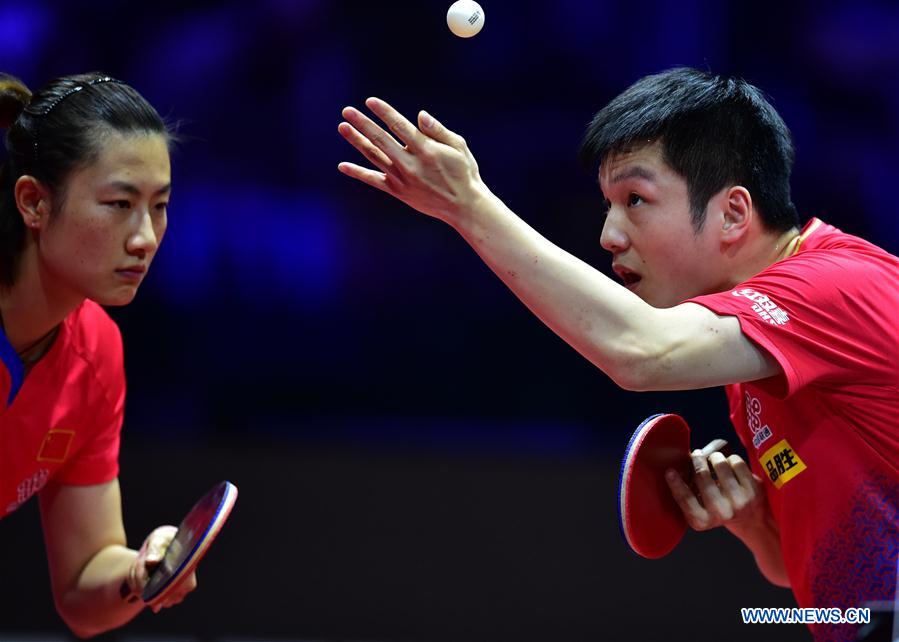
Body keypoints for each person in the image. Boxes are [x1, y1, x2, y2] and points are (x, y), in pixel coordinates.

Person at [337, 68, 899, 641]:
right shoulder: (748, 356)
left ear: (732, 213)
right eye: (609, 204)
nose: (609, 234)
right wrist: (753, 522)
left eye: (636, 199)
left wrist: (470, 207)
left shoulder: (838, 289)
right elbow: (806, 579)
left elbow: (641, 352)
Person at [0, 72, 195, 637]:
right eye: (118, 203)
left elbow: (83, 587)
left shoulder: (96, 351)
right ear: (33, 202)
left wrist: (138, 573)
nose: (145, 238)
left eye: (158, 206)